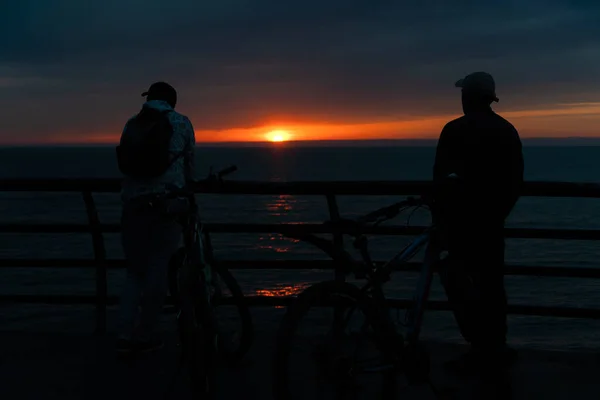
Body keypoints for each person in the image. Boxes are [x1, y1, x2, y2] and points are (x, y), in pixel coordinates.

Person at [432, 72, 524, 377]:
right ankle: (495, 347)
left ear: (467, 97)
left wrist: (442, 222)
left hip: (459, 224)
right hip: (491, 223)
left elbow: (440, 180)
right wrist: (496, 215)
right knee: (492, 287)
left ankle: (478, 346)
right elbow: (514, 182)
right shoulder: (506, 130)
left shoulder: (454, 130)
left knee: (459, 283)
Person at [115, 81, 196, 354]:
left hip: (133, 205)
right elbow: (190, 167)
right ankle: (145, 334)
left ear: (150, 99)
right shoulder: (181, 123)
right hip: (166, 205)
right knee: (159, 267)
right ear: (173, 101)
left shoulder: (131, 124)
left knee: (134, 273)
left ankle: (124, 333)